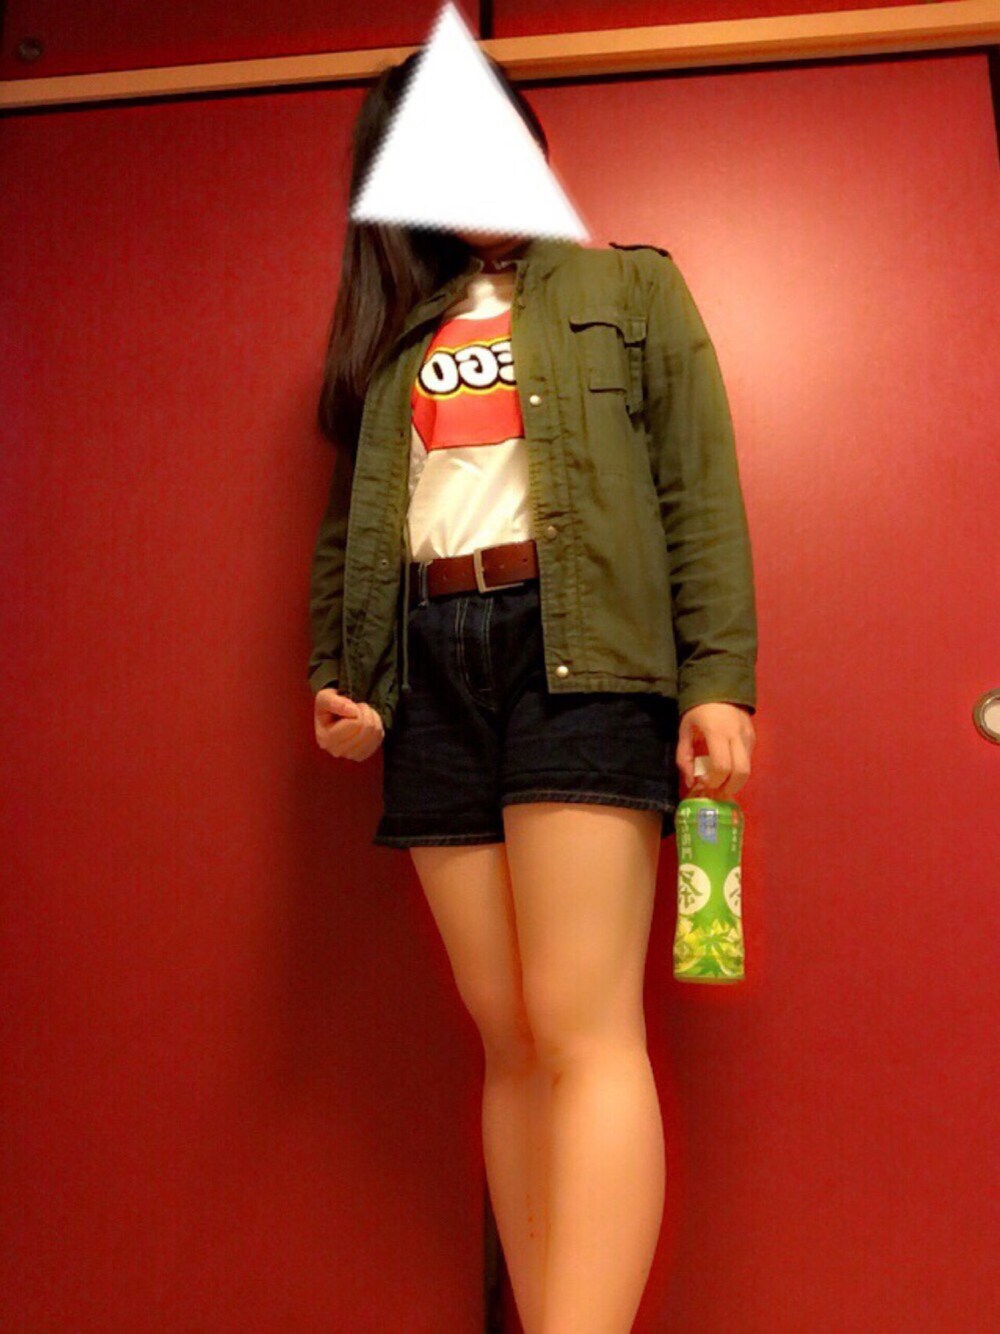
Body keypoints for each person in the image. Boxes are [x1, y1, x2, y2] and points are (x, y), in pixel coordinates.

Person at [309, 50, 757, 1334]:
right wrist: (337, 673)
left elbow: (699, 492)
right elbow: (349, 532)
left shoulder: (630, 286)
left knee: (581, 1025)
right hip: (426, 670)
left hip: (581, 652)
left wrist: (719, 680)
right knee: (504, 1034)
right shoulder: (395, 336)